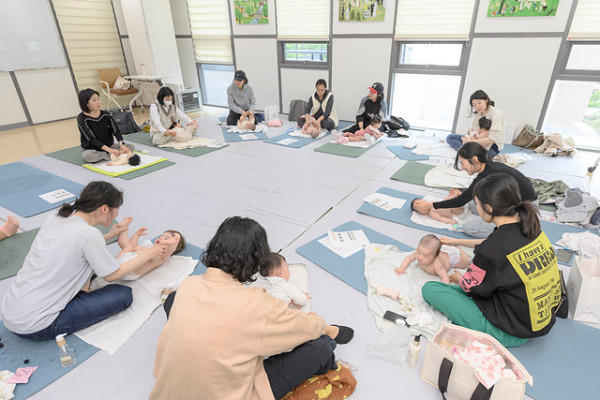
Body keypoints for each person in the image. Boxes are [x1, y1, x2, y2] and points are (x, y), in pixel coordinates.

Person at [151, 216, 354, 400]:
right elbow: (304, 329)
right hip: (231, 393)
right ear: (256, 261)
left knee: (174, 299)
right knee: (321, 348)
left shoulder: (189, 285)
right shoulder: (257, 303)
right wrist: (326, 328)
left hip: (169, 394)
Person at [0, 181, 171, 341]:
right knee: (123, 295)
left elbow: (74, 244)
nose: (117, 214)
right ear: (105, 209)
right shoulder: (89, 235)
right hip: (37, 325)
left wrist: (111, 235)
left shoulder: (57, 216)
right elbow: (112, 275)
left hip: (11, 310)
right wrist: (150, 253)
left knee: (92, 269)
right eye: (117, 209)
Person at [422, 173, 562, 347]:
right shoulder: (533, 229)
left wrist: (463, 280)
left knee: (431, 289)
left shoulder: (491, 251)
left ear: (488, 208)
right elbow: (497, 249)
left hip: (512, 331)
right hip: (541, 318)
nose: (477, 209)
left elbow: (472, 290)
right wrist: (457, 243)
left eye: (477, 204)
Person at [412, 142, 538, 238]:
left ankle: (513, 230)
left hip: (523, 209)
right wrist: (462, 194)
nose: (462, 168)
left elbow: (460, 201)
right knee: (473, 202)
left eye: (462, 163)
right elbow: (468, 195)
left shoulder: (486, 175)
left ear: (475, 160)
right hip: (515, 200)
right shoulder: (490, 167)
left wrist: (432, 205)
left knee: (469, 228)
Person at [109, 225, 185, 282]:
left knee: (152, 258)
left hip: (130, 272)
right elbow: (133, 247)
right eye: (161, 236)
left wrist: (175, 242)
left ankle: (122, 231)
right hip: (119, 261)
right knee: (128, 247)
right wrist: (136, 235)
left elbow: (169, 251)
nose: (161, 238)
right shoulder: (147, 247)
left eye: (166, 238)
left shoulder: (160, 257)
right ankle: (122, 230)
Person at [77, 89, 135, 163]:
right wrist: (110, 150)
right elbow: (91, 139)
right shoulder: (82, 118)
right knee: (88, 156)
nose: (98, 102)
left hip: (109, 146)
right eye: (94, 100)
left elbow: (116, 131)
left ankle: (113, 154)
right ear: (86, 104)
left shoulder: (106, 114)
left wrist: (122, 145)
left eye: (98, 99)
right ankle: (110, 155)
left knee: (131, 147)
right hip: (92, 149)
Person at [446, 90, 505, 158]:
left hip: (491, 147)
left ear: (486, 100)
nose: (477, 107)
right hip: (476, 140)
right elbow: (471, 129)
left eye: (479, 103)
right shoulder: (479, 113)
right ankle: (466, 150)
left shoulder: (496, 114)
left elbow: (492, 139)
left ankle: (465, 150)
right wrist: (470, 135)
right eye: (474, 105)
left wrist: (472, 142)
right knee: (450, 137)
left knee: (474, 150)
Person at [394, 234, 470, 284]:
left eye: (425, 256)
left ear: (435, 257)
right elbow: (408, 258)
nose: (420, 257)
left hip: (452, 258)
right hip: (441, 251)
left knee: (466, 263)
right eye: (418, 251)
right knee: (433, 248)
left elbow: (444, 276)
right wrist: (402, 267)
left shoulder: (437, 264)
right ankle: (451, 246)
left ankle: (458, 248)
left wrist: (444, 287)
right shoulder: (418, 254)